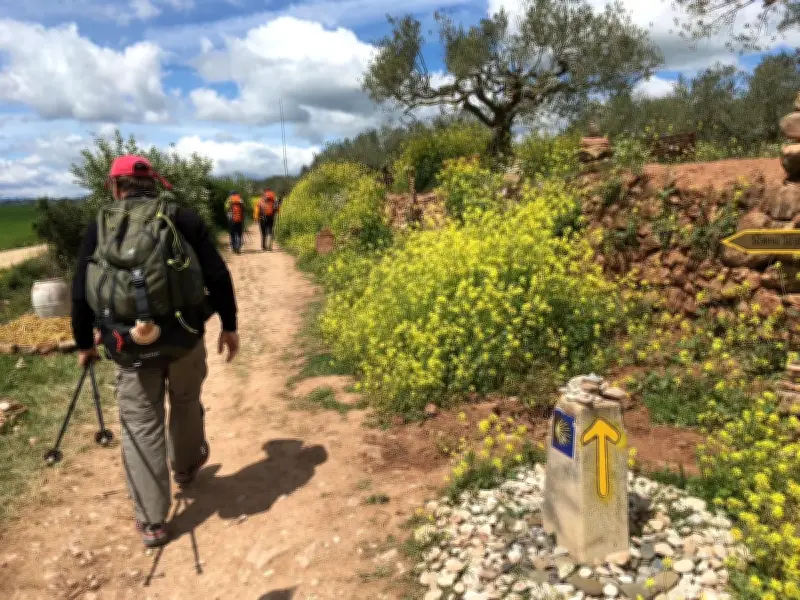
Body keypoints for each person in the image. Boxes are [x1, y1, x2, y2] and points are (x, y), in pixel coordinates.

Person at [71, 155, 239, 549]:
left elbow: (80, 289)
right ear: (155, 184)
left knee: (141, 422)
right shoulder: (183, 218)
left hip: (127, 344)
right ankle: (184, 466)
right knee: (184, 400)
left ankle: (152, 521)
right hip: (183, 336)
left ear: (115, 186)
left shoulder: (101, 225)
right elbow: (217, 275)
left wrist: (84, 342)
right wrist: (229, 326)